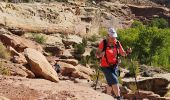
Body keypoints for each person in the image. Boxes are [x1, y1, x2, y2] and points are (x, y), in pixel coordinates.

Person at [96, 27, 132, 100]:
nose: (113, 38)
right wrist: (101, 54)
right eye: (112, 37)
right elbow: (97, 55)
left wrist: (128, 52)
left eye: (114, 37)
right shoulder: (103, 43)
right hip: (105, 66)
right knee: (115, 81)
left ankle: (107, 96)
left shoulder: (117, 43)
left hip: (114, 66)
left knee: (110, 83)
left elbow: (123, 53)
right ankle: (119, 97)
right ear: (108, 36)